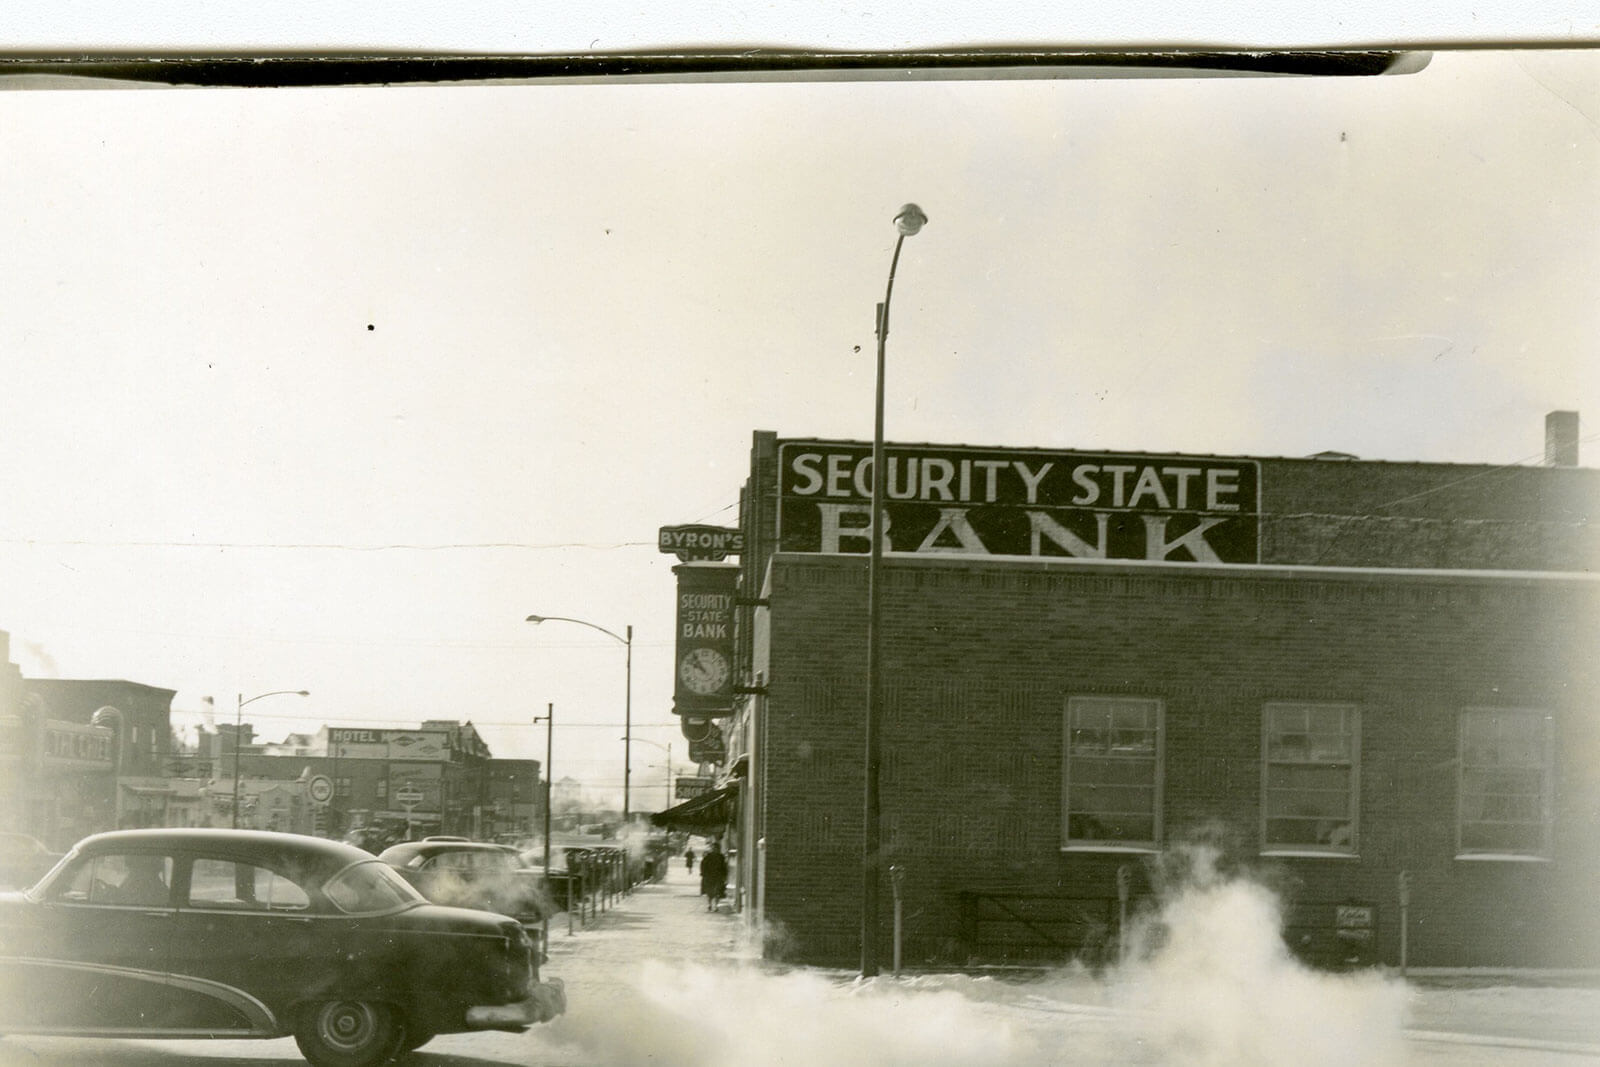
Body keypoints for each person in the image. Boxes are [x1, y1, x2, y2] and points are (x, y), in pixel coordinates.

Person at [699, 840, 728, 912]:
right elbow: (703, 865)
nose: (715, 849)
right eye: (714, 848)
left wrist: (724, 876)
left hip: (717, 876)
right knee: (710, 892)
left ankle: (715, 906)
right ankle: (710, 905)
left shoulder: (720, 857)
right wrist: (703, 873)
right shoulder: (709, 856)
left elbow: (724, 867)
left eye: (716, 848)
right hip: (710, 876)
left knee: (717, 891)